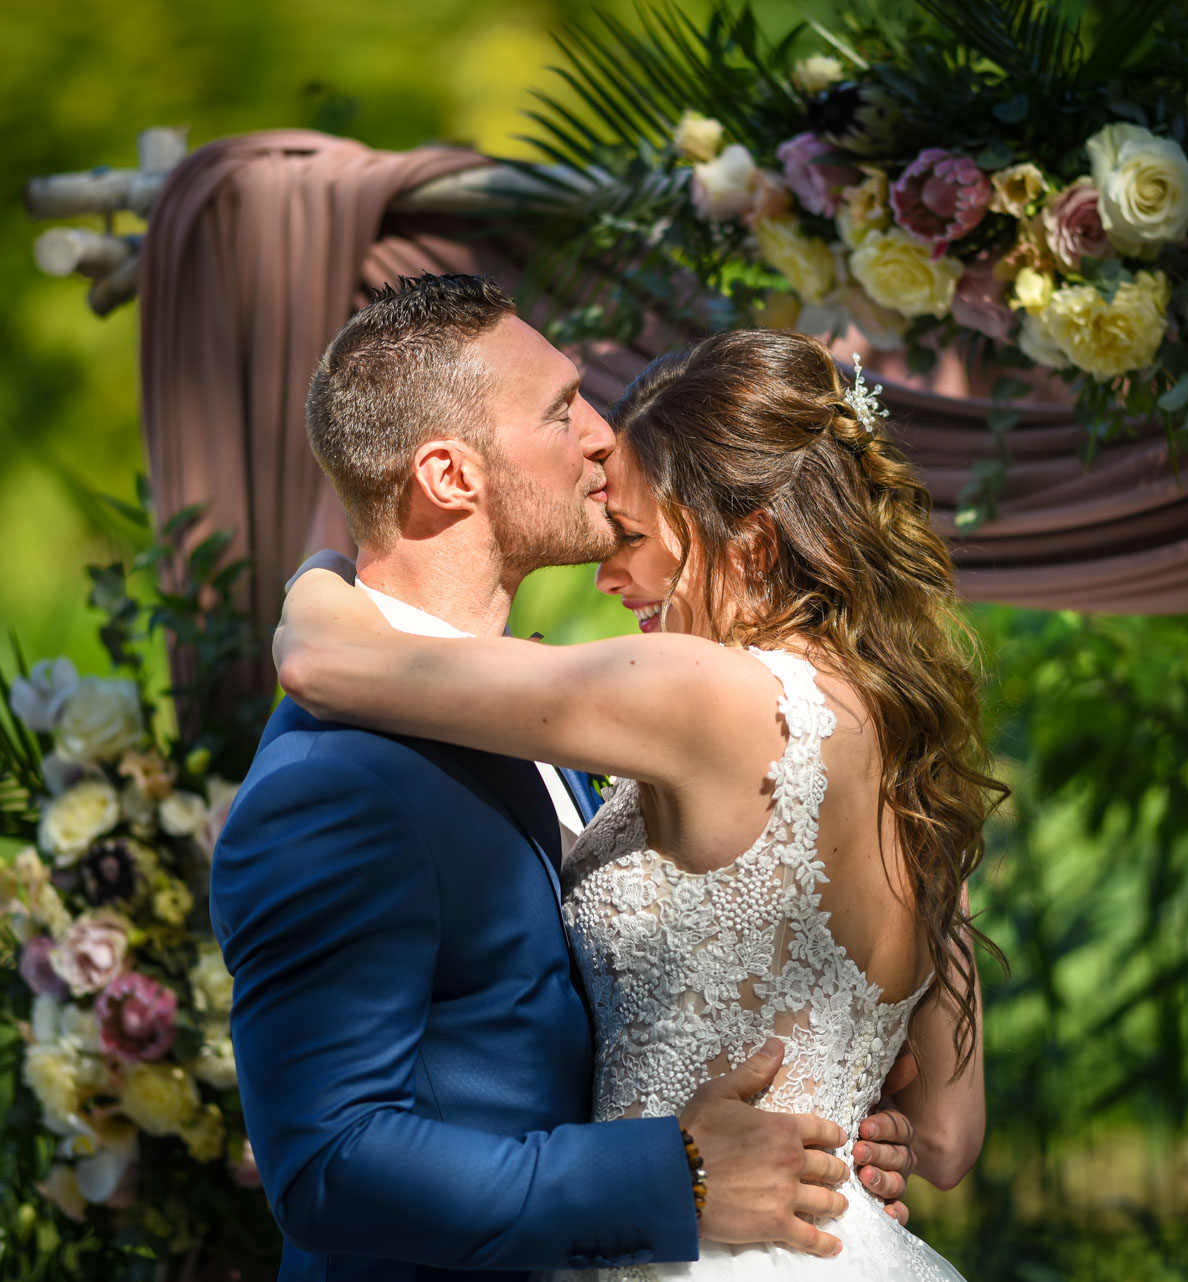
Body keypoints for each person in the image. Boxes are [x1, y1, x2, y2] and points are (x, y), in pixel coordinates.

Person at [208, 275, 919, 1282]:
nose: (600, 434)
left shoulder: (551, 714)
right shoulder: (331, 786)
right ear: (451, 475)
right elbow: (328, 1164)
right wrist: (676, 1179)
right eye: (559, 410)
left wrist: (825, 1119)